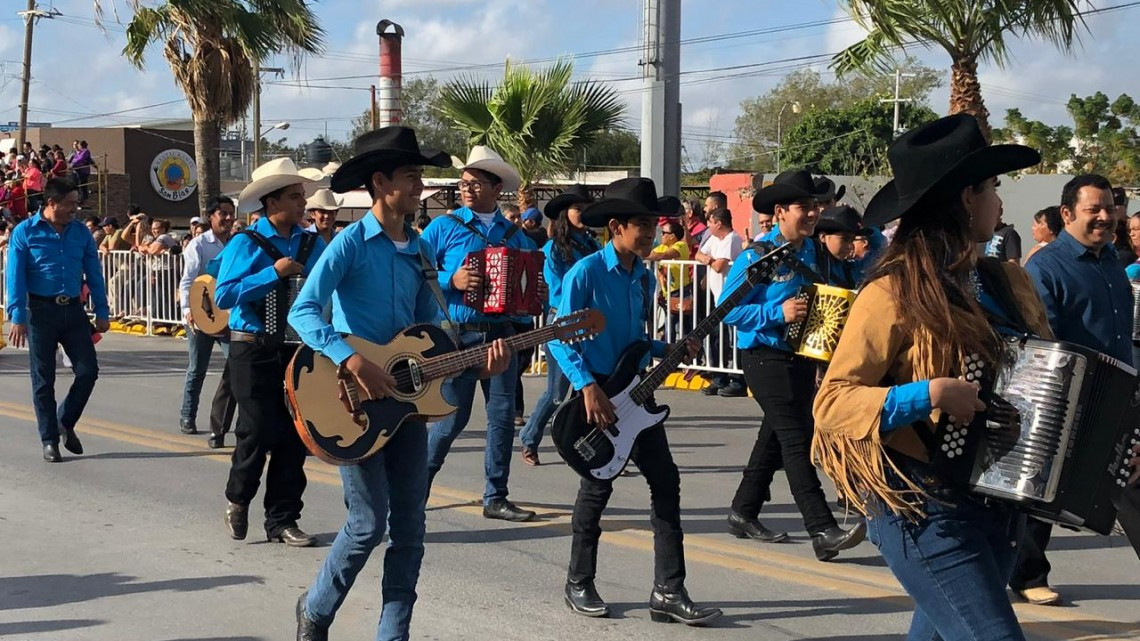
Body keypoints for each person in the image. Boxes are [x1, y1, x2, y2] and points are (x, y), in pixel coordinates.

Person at [812, 113, 1046, 640]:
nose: (999, 203)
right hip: (919, 503)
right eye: (992, 188)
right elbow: (832, 404)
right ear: (967, 198)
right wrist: (930, 393)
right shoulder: (890, 293)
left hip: (998, 501)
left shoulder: (1009, 283)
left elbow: (1058, 378)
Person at [289, 126, 511, 641]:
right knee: (368, 524)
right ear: (381, 182)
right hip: (356, 405)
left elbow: (432, 339)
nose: (421, 186)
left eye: (421, 176)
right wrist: (349, 359)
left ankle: (393, 635)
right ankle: (316, 609)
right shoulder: (349, 243)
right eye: (412, 176)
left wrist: (479, 363)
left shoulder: (420, 252)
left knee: (410, 527)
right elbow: (303, 311)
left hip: (406, 407)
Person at [550, 177, 721, 626]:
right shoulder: (585, 273)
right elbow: (558, 339)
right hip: (596, 393)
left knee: (666, 481)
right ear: (616, 227)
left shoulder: (644, 277)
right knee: (597, 486)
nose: (650, 233)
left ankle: (668, 589)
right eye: (642, 225)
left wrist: (670, 350)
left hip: (635, 394)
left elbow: (637, 343)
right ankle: (578, 581)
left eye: (653, 224)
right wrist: (587, 386)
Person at [719, 169, 866, 559]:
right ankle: (821, 529)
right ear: (781, 211)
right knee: (796, 439)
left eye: (816, 206)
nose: (814, 213)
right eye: (805, 206)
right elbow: (728, 311)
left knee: (773, 437)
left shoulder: (814, 252)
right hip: (764, 357)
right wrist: (776, 311)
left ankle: (742, 510)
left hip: (801, 358)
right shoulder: (757, 255)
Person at [1015, 173, 1134, 605]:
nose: (1105, 217)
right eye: (1093, 210)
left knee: (1129, 479)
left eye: (1109, 209)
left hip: (1118, 391)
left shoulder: (1111, 262)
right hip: (1068, 394)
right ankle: (1027, 575)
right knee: (1042, 488)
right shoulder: (1046, 266)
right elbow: (1042, 334)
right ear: (1067, 214)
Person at [420, 146, 541, 522]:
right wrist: (451, 280)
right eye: (464, 183)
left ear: (496, 187)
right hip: (458, 333)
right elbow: (419, 275)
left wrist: (534, 293)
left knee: (502, 416)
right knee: (450, 419)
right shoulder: (443, 227)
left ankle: (496, 495)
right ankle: (416, 489)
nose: (467, 189)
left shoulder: (513, 234)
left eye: (476, 183)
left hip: (501, 332)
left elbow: (531, 273)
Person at [215, 157, 326, 547]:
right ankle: (238, 497)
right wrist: (273, 273)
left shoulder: (314, 242)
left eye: (302, 197)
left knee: (296, 434)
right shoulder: (247, 243)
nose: (303, 205)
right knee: (257, 428)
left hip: (298, 349)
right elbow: (223, 295)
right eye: (295, 197)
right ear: (271, 202)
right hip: (253, 348)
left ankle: (282, 519)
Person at [5, 178, 110, 462]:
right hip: (40, 312)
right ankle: (49, 439)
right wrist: (17, 316)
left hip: (74, 312)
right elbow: (15, 277)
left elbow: (94, 273)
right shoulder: (24, 233)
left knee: (88, 371)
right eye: (70, 204)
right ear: (51, 203)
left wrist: (102, 310)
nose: (75, 209)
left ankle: (64, 420)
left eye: (77, 203)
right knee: (43, 380)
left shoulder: (80, 233)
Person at [518, 184, 599, 466]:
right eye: (578, 209)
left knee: (592, 388)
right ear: (566, 213)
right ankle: (529, 438)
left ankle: (597, 449)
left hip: (591, 322)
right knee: (557, 392)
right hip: (562, 321)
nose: (584, 214)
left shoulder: (593, 245)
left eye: (587, 208)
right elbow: (558, 290)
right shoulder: (553, 249)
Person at [178, 196, 238, 448]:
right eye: (222, 213)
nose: (227, 218)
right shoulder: (199, 245)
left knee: (236, 366)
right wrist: (188, 311)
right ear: (211, 216)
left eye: (230, 213)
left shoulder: (237, 244)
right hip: (201, 316)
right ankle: (187, 415)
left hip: (227, 319)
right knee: (197, 370)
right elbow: (187, 281)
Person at [694, 207, 746, 397]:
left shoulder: (732, 238)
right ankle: (719, 377)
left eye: (710, 222)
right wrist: (707, 258)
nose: (708, 225)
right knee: (717, 339)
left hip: (731, 299)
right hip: (717, 299)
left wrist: (708, 260)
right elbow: (698, 254)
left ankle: (737, 380)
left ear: (719, 223)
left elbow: (718, 266)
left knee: (733, 340)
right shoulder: (713, 238)